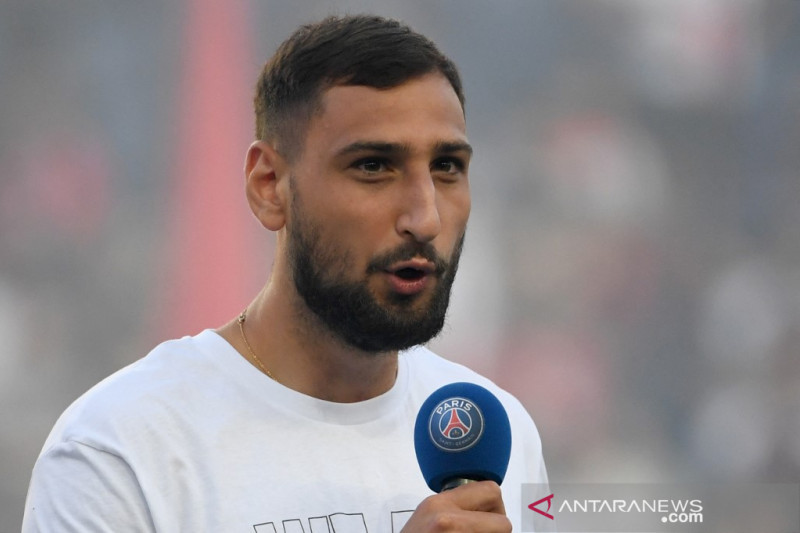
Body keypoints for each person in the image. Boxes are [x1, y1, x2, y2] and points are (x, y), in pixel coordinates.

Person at [23, 14, 547, 532]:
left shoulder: (502, 436)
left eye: (447, 167)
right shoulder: (117, 453)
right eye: (373, 166)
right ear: (269, 185)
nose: (425, 218)